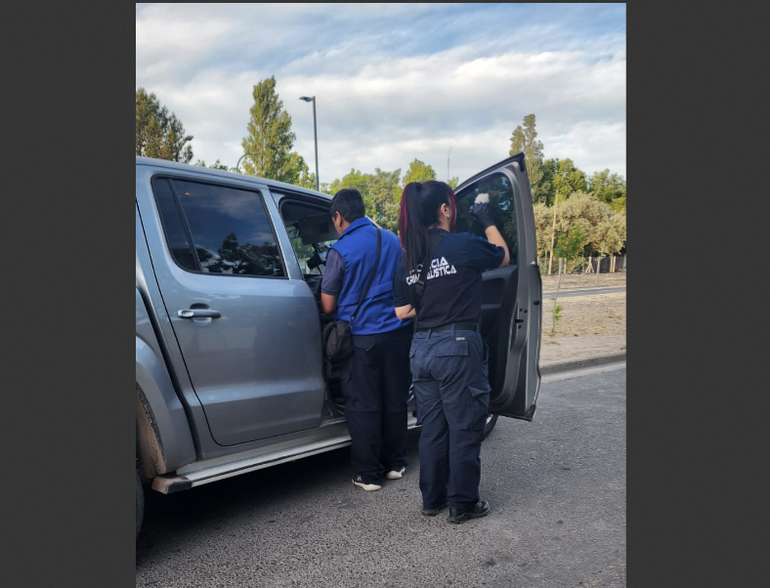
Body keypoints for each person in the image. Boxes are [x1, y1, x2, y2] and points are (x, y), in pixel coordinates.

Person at [393, 181, 509, 524]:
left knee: (432, 428)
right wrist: (486, 219)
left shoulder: (406, 258)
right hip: (456, 348)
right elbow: (502, 255)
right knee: (465, 427)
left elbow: (401, 312)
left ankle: (433, 500)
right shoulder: (462, 245)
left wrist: (434, 299)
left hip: (421, 349)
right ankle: (463, 504)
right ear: (444, 209)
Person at [321, 188, 413, 491]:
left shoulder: (340, 250)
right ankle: (395, 463)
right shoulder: (392, 240)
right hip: (398, 334)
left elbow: (328, 306)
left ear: (338, 216)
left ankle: (369, 474)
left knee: (364, 404)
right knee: (394, 398)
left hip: (362, 338)